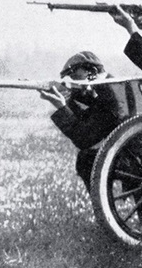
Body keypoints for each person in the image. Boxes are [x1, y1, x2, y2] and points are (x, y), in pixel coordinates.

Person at [40, 51, 123, 191]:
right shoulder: (112, 87)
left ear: (92, 72)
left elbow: (84, 138)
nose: (73, 82)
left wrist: (62, 106)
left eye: (75, 76)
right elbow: (90, 118)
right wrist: (67, 103)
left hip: (132, 156)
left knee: (86, 160)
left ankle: (101, 207)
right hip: (134, 151)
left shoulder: (109, 92)